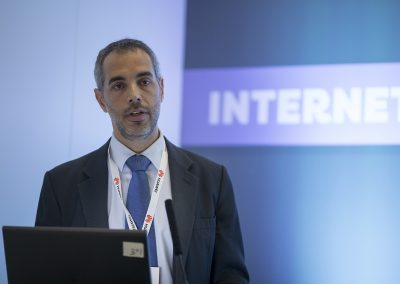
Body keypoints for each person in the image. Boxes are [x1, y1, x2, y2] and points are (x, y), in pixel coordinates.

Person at [35, 38, 249, 284]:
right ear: (100, 99)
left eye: (144, 82)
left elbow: (231, 275)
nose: (134, 95)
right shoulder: (61, 185)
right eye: (118, 86)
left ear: (161, 88)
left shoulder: (212, 179)